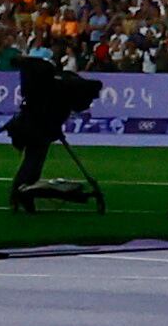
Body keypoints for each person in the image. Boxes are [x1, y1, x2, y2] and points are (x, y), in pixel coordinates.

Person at [6, 50, 105, 210]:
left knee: (33, 160)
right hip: (36, 128)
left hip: (35, 126)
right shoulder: (54, 87)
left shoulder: (50, 87)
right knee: (33, 160)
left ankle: (22, 193)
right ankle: (21, 192)